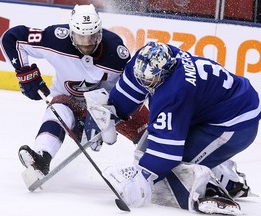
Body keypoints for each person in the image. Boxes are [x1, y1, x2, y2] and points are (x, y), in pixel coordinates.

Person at [85, 41, 260, 215]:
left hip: (236, 123)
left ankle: (213, 190)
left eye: (150, 79)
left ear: (164, 73)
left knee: (174, 174)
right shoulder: (148, 58)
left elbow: (166, 154)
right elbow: (131, 86)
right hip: (214, 109)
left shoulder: (174, 91)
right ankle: (224, 174)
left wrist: (141, 179)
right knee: (149, 150)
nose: (145, 81)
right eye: (142, 76)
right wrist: (110, 114)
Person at [0, 4, 149, 177]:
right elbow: (12, 38)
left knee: (147, 130)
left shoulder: (116, 54)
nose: (87, 43)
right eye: (81, 37)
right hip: (69, 101)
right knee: (57, 109)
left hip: (109, 103)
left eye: (92, 36)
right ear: (71, 33)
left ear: (99, 32)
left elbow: (128, 90)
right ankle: (41, 157)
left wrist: (107, 119)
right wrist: (25, 73)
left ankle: (154, 167)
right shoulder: (54, 39)